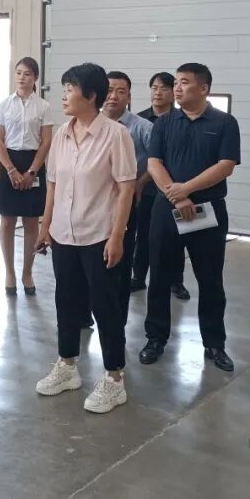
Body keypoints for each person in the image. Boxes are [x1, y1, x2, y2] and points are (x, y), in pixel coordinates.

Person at [34, 63, 136, 414]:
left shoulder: (116, 135)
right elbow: (53, 184)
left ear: (91, 95)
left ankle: (114, 378)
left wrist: (117, 237)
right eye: (63, 88)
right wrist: (45, 226)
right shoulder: (62, 134)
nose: (63, 95)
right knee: (66, 302)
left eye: (70, 89)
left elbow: (125, 189)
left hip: (99, 235)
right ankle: (67, 366)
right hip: (64, 234)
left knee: (105, 307)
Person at [142, 63, 240, 372]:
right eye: (176, 82)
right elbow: (154, 163)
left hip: (206, 211)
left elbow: (225, 165)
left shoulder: (224, 122)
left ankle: (214, 343)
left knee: (210, 279)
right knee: (159, 275)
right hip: (167, 209)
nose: (177, 88)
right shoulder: (164, 122)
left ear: (204, 88)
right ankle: (155, 338)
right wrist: (178, 195)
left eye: (184, 82)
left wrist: (188, 189)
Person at [0, 57, 53, 296]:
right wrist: (11, 170)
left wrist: (31, 172)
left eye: (27, 73)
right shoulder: (4, 105)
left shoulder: (44, 106)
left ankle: (27, 272)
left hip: (33, 163)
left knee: (30, 220)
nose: (21, 77)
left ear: (35, 77)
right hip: (8, 162)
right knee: (7, 221)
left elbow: (46, 142)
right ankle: (9, 272)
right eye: (18, 72)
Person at [135, 71, 189, 301]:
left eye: (164, 88)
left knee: (176, 238)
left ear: (172, 93)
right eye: (154, 88)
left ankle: (176, 281)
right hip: (145, 190)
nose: (158, 93)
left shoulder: (181, 120)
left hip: (173, 190)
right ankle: (138, 277)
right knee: (144, 235)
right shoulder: (140, 119)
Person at [102, 71, 152, 316]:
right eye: (109, 90)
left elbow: (156, 161)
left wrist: (138, 184)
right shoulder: (89, 124)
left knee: (120, 260)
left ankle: (117, 316)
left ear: (129, 97)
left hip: (127, 201)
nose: (113, 96)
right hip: (95, 204)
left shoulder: (143, 127)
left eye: (120, 91)